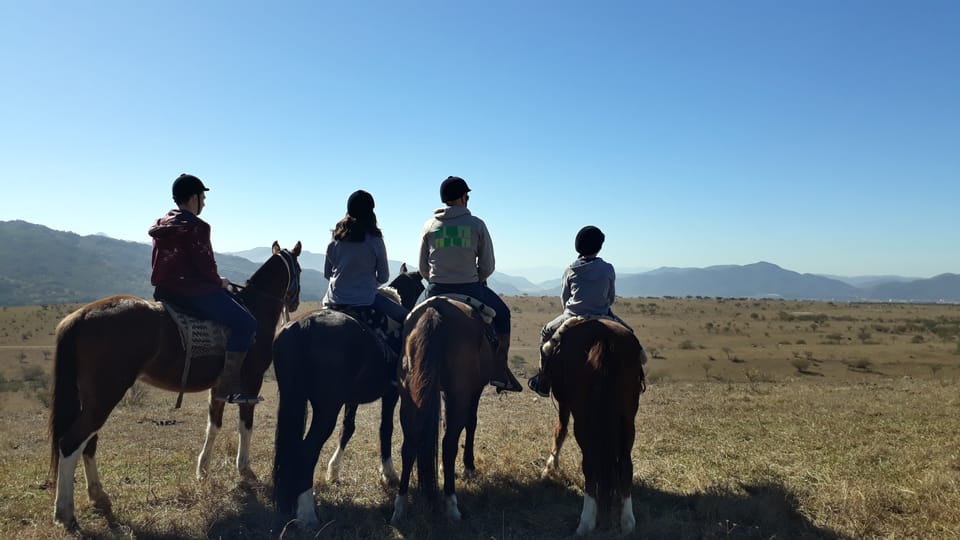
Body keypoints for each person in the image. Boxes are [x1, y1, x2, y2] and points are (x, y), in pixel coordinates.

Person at [149, 173, 260, 404]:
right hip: (193, 293)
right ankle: (228, 387)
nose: (204, 202)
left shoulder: (161, 225)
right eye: (202, 197)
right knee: (246, 323)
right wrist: (220, 281)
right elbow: (205, 269)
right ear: (193, 198)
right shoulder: (197, 227)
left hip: (164, 292)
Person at [418, 176, 522, 392]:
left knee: (409, 320)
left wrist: (436, 278)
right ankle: (500, 370)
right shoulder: (476, 225)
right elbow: (488, 265)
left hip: (435, 289)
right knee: (503, 315)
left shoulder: (429, 226)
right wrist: (475, 276)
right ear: (464, 197)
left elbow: (422, 268)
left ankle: (406, 367)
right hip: (470, 288)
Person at [527, 225, 633, 397]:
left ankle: (543, 380)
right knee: (629, 335)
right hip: (603, 314)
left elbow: (564, 298)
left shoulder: (570, 269)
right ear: (599, 247)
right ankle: (635, 379)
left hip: (573, 316)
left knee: (546, 331)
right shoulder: (608, 268)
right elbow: (611, 297)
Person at [322, 190, 409, 354]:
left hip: (333, 300)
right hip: (365, 300)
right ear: (370, 212)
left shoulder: (335, 239)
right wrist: (368, 285)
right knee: (408, 318)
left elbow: (327, 274)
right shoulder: (375, 240)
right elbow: (384, 276)